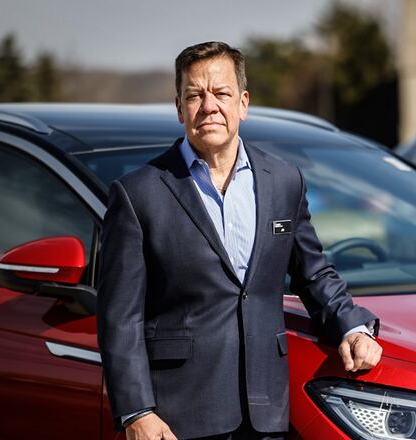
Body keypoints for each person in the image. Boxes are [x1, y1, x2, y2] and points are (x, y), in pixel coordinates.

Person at [96, 41, 382, 440]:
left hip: (266, 412)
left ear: (243, 103)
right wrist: (135, 413)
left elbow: (314, 274)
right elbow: (119, 318)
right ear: (179, 108)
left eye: (221, 93)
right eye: (194, 95)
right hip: (177, 418)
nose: (208, 105)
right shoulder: (137, 193)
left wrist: (353, 328)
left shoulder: (284, 181)